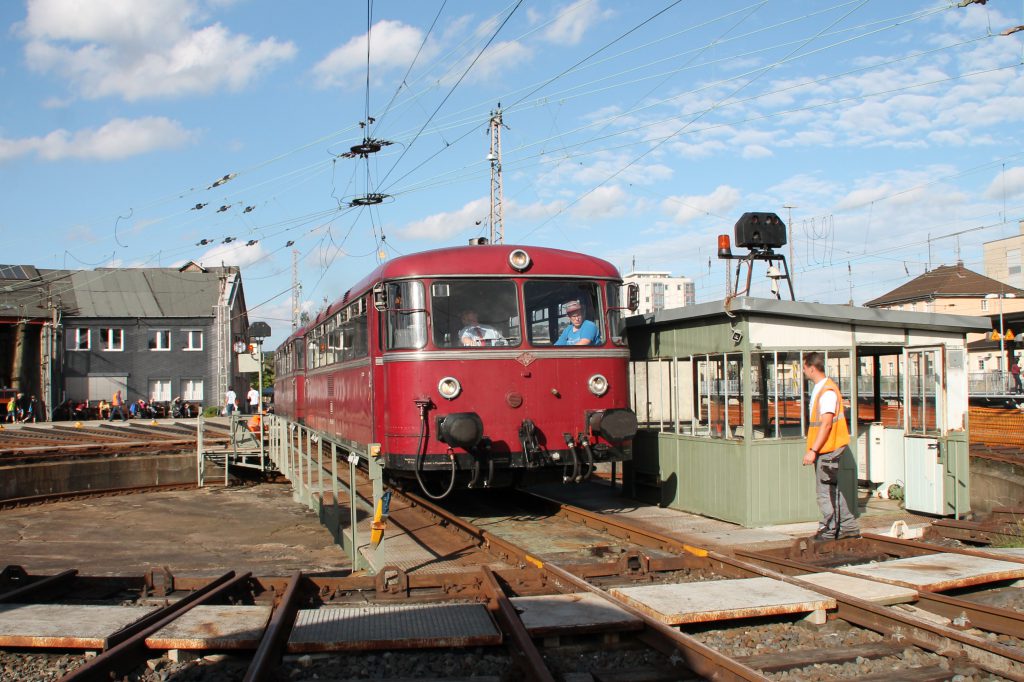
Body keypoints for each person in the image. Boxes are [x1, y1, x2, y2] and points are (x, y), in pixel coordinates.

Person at [802, 352, 859, 541]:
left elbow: (826, 424)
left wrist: (813, 451)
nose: (803, 371)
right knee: (832, 488)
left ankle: (828, 529)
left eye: (804, 367)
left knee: (824, 491)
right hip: (828, 447)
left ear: (811, 367)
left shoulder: (826, 392)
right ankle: (848, 526)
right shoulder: (823, 389)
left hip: (828, 448)